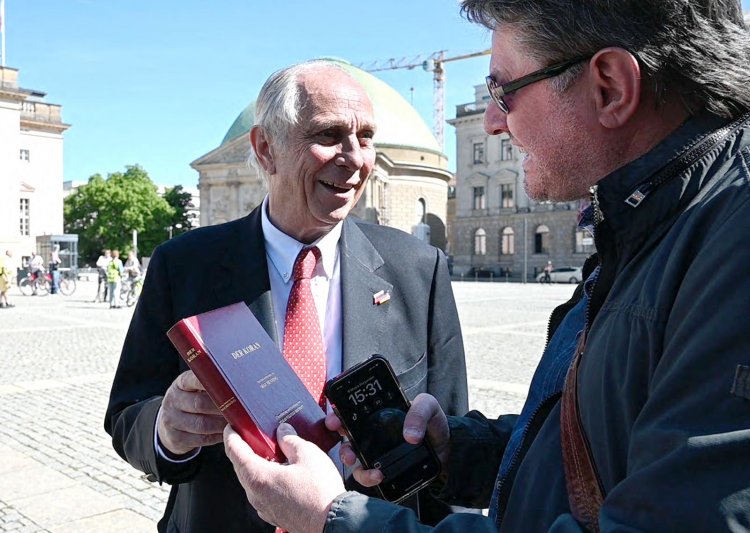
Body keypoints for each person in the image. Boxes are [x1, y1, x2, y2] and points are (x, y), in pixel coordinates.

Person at [221, 1, 750, 531]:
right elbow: (603, 446)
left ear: (610, 86)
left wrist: (334, 518)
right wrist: (458, 450)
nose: (494, 121)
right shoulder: (655, 221)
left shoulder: (730, 238)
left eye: (505, 91)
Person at [104, 60, 469, 532]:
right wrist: (166, 429)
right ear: (265, 149)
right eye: (329, 135)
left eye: (366, 137)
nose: (355, 158)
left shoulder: (419, 269)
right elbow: (126, 414)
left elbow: (451, 443)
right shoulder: (184, 266)